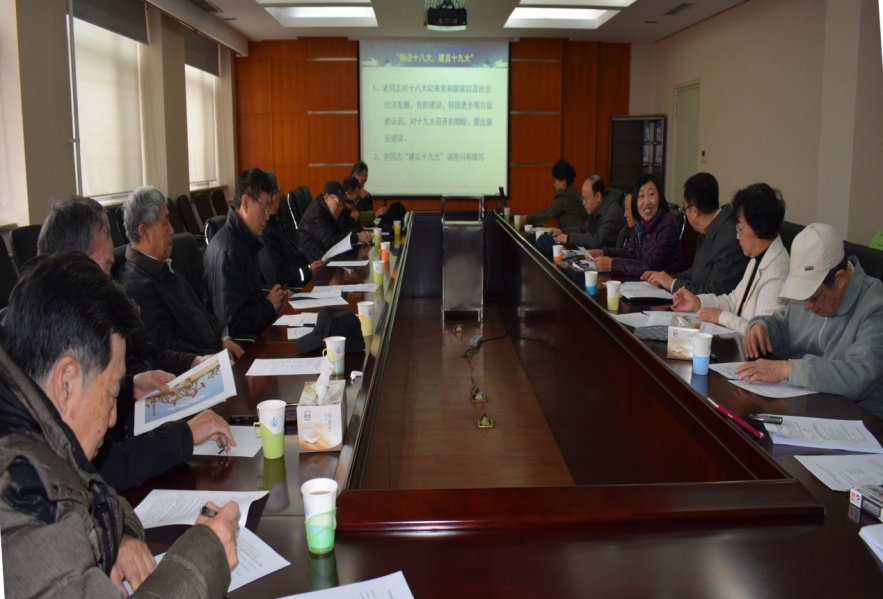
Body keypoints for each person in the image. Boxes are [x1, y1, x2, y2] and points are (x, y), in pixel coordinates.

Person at [0, 252, 239, 597]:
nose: (113, 417)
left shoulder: (42, 431)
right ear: (66, 381)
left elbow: (99, 491)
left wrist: (113, 540)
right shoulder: (22, 495)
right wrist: (204, 557)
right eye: (112, 393)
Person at [37, 197, 235, 491]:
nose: (108, 279)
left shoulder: (63, 313)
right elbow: (100, 469)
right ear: (77, 265)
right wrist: (184, 435)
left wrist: (128, 385)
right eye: (105, 266)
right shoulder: (60, 339)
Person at [735, 223, 883, 419]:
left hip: (858, 419)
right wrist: (761, 326)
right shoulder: (811, 297)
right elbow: (783, 325)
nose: (806, 306)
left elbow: (859, 376)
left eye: (814, 297)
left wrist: (788, 369)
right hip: (803, 405)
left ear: (840, 279)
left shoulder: (875, 306)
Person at [119, 186, 245, 359]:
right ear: (144, 232)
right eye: (165, 223)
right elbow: (164, 349)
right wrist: (213, 359)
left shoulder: (163, 263)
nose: (171, 230)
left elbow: (199, 312)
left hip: (215, 355)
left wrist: (224, 338)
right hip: (198, 367)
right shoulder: (136, 285)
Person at [671, 183, 789, 335]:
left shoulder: (777, 273)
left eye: (740, 229)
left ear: (757, 227)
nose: (737, 236)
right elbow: (733, 301)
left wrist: (722, 317)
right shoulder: (758, 257)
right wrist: (697, 302)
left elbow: (760, 336)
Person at [204, 168, 291, 339]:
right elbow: (232, 323)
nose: (267, 216)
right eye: (264, 207)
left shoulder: (244, 239)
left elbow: (247, 298)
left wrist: (276, 298)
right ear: (245, 203)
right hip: (243, 346)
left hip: (256, 335)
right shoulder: (229, 251)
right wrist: (269, 306)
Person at [643, 172, 747, 294]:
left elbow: (714, 293)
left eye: (684, 208)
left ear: (694, 211)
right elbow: (697, 273)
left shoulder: (728, 238)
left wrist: (672, 284)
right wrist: (666, 279)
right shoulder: (713, 227)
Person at [590, 174, 683, 278]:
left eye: (651, 194)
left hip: (665, 285)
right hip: (644, 283)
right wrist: (602, 252)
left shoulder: (667, 224)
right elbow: (627, 253)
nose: (646, 202)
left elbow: (649, 266)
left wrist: (611, 264)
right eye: (641, 196)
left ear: (660, 197)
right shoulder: (642, 224)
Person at [259, 179, 324, 288]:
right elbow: (277, 277)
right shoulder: (264, 232)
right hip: (291, 290)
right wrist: (308, 271)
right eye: (279, 191)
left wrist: (309, 267)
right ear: (274, 197)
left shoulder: (277, 222)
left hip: (301, 279)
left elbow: (293, 256)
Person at [297, 181, 373, 262]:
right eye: (338, 202)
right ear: (326, 197)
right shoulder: (317, 213)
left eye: (342, 204)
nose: (340, 208)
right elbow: (330, 242)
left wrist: (358, 234)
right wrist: (357, 237)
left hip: (323, 253)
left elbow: (338, 232)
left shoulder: (327, 209)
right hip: (311, 259)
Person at [551, 175, 625, 248]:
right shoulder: (596, 207)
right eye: (583, 198)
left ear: (598, 196)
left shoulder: (612, 214)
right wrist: (561, 231)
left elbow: (597, 240)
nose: (583, 203)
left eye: (586, 198)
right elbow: (584, 229)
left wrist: (568, 238)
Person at [525, 160, 588, 229]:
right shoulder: (572, 193)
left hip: (575, 235)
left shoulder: (565, 197)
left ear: (563, 181)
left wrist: (525, 219)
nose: (553, 184)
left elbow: (546, 213)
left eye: (554, 181)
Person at [351, 161, 387, 226]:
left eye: (365, 182)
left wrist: (367, 198)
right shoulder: (348, 191)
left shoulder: (362, 194)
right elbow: (355, 215)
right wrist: (375, 214)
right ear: (355, 175)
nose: (363, 185)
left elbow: (367, 211)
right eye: (362, 181)